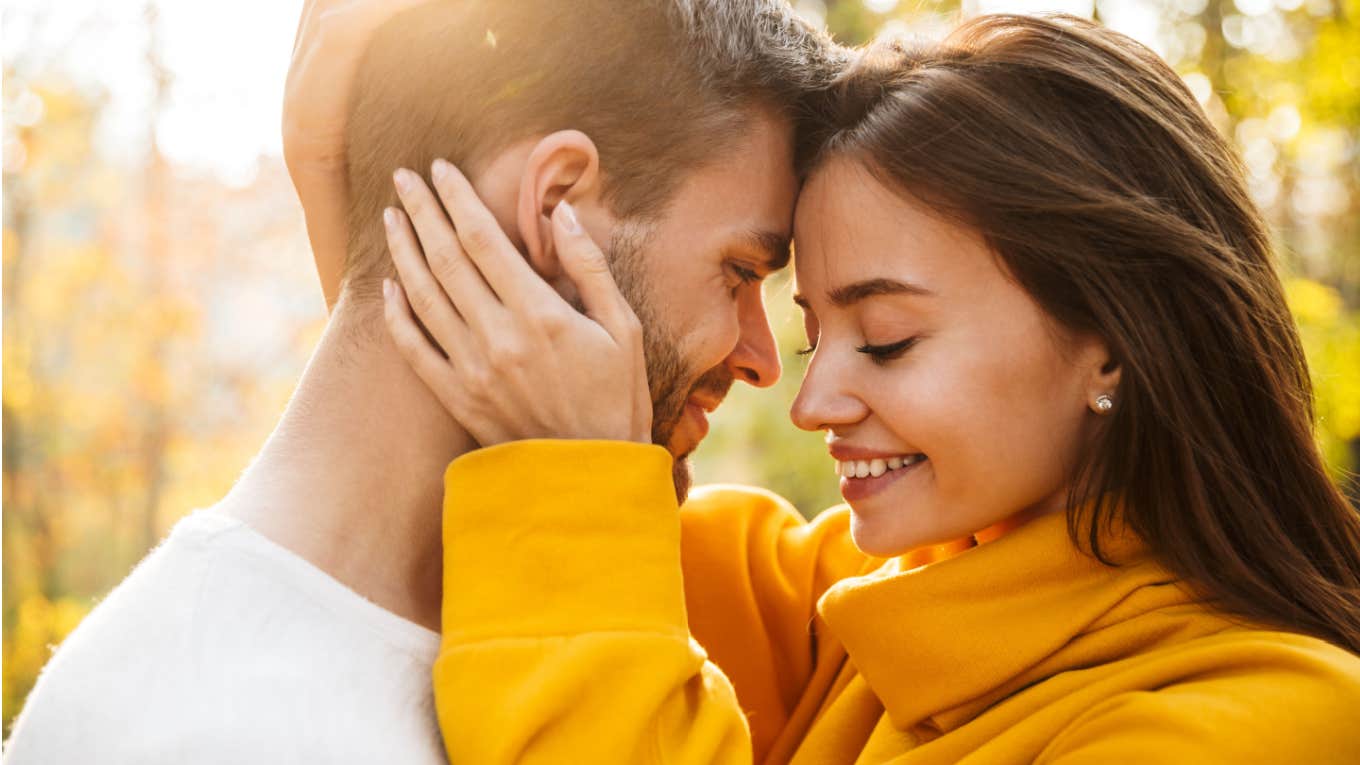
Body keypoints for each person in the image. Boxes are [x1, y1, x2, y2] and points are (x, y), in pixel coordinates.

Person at [380, 13, 1360, 764]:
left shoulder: (1273, 720)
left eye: (886, 340)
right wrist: (369, 202)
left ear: (1111, 342)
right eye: (816, 338)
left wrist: (570, 475)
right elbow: (521, 565)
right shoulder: (867, 597)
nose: (812, 405)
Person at [1, 2, 841, 762]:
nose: (766, 361)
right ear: (556, 208)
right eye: (738, 271)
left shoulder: (584, 607)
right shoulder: (212, 728)